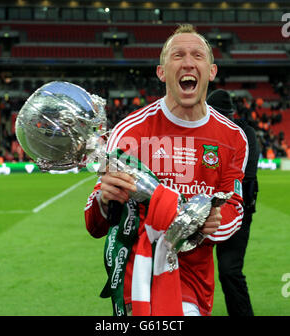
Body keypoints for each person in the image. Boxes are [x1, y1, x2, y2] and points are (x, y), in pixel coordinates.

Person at [84, 24, 248, 316]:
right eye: (177, 55)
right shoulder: (131, 131)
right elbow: (95, 224)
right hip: (138, 275)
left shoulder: (233, 138)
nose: (188, 62)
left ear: (211, 71)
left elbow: (234, 206)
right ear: (161, 72)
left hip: (193, 280)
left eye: (197, 55)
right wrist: (103, 200)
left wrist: (212, 223)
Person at [207, 88, 259, 316]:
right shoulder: (202, 131)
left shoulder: (245, 134)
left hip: (236, 210)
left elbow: (243, 176)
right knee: (185, 267)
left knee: (229, 271)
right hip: (202, 210)